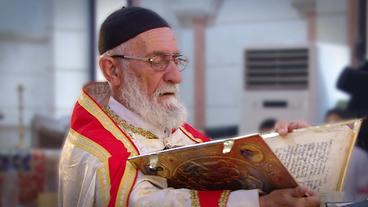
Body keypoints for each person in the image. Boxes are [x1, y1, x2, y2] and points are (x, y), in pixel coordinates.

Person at [58, 6, 320, 207]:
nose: (176, 76)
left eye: (176, 59)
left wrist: (286, 153)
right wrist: (261, 203)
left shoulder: (166, 125)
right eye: (156, 60)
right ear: (113, 70)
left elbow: (227, 174)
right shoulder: (95, 155)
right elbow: (144, 201)